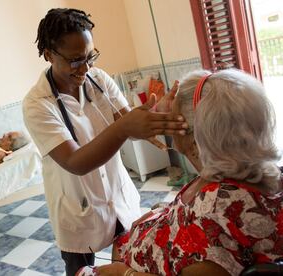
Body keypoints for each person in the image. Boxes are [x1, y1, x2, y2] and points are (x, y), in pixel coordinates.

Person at [22, 8, 188, 275]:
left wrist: (155, 114)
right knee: (80, 272)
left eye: (91, 57)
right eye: (76, 61)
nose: (85, 68)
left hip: (117, 195)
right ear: (49, 55)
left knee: (126, 263)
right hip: (76, 210)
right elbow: (75, 162)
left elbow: (130, 125)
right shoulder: (37, 104)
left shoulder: (98, 79)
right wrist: (125, 127)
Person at [77, 69, 283, 276]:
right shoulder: (253, 173)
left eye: (174, 116)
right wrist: (166, 212)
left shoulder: (211, 217)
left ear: (196, 138)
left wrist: (125, 273)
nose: (169, 122)